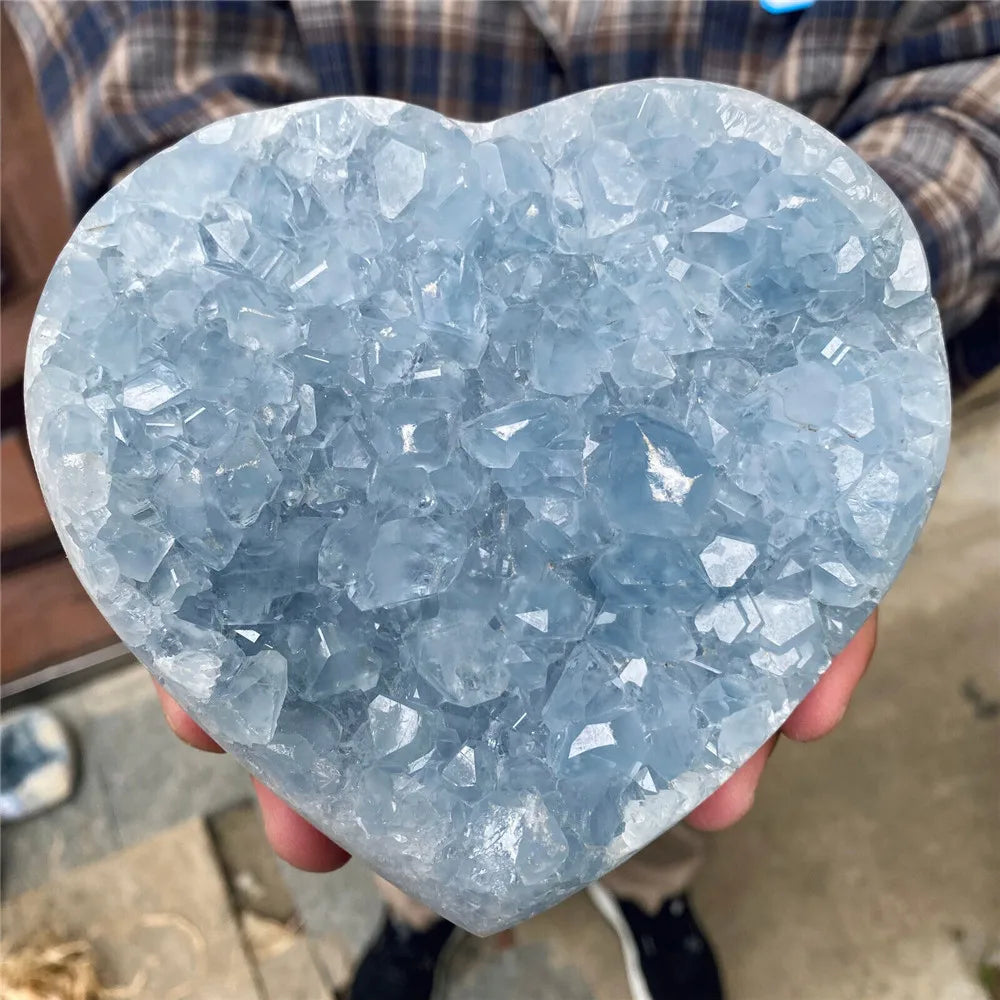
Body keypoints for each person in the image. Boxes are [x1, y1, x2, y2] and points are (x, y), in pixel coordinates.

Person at [9, 2, 997, 997]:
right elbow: (133, 42)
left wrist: (834, 290)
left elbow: (973, 76)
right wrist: (224, 245)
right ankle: (417, 910)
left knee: (662, 776)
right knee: (389, 797)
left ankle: (650, 894)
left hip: (693, 447)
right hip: (363, 451)